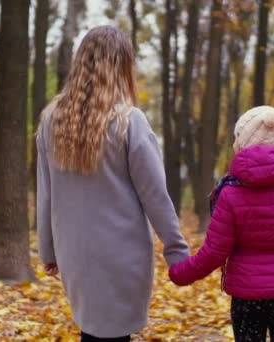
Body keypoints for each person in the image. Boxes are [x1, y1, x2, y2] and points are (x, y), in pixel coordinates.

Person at [36, 26, 189, 342]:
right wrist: (177, 252)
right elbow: (155, 196)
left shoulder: (52, 120)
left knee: (93, 333)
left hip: (74, 254)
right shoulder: (129, 122)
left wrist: (48, 249)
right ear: (122, 66)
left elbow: (45, 193)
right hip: (122, 256)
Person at [169, 106, 274, 342]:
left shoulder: (230, 194)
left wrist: (181, 273)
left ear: (242, 143)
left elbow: (215, 252)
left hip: (247, 295)